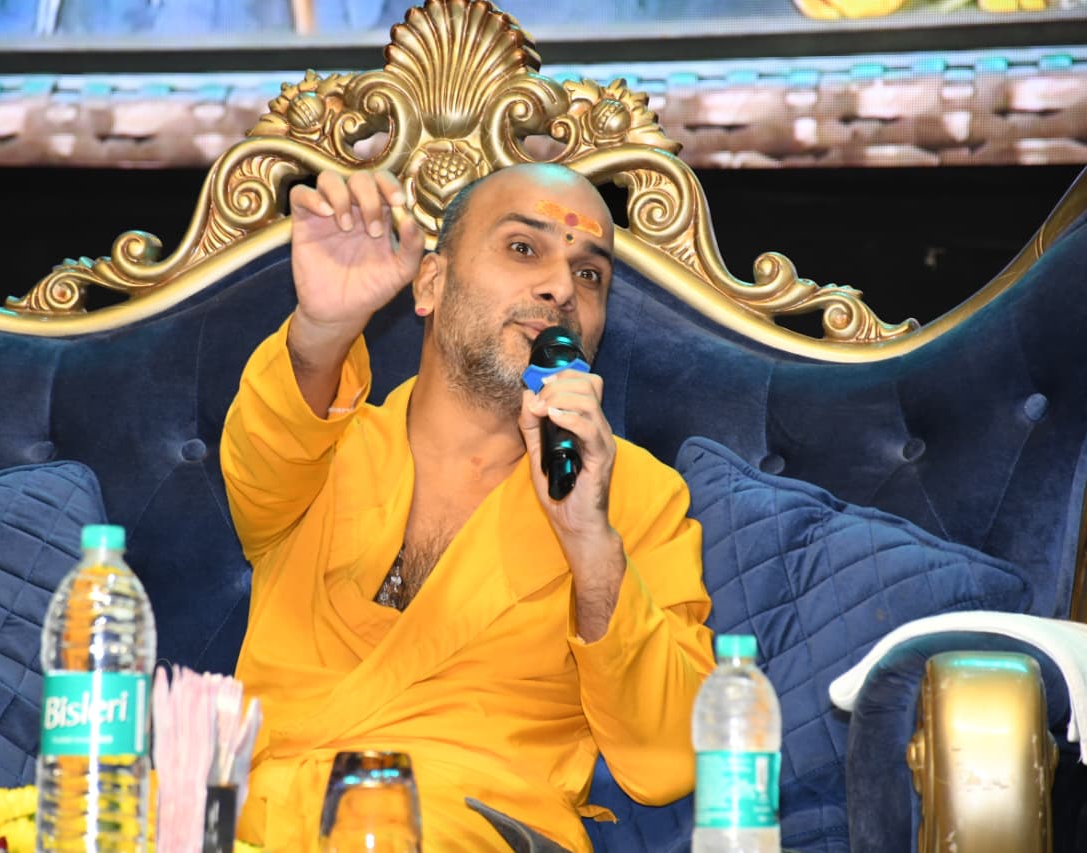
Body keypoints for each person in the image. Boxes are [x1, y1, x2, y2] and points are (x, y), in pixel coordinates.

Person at [220, 162, 716, 851]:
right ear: (431, 282)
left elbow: (671, 758)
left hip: (465, 829)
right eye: (523, 247)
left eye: (589, 274)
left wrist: (589, 542)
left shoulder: (635, 496)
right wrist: (322, 327)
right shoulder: (319, 445)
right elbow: (264, 447)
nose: (561, 288)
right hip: (254, 822)